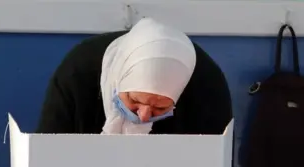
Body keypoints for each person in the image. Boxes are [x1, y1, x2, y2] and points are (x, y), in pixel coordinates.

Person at [36, 17, 233, 135]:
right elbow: (47, 152)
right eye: (135, 100)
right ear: (120, 81)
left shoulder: (206, 86)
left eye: (160, 107)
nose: (144, 115)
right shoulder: (78, 74)